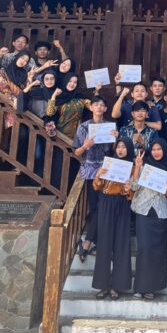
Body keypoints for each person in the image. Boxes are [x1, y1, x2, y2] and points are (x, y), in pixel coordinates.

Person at [92, 136, 135, 299]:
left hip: (122, 205)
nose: (121, 150)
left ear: (128, 149)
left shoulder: (132, 168)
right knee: (104, 243)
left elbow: (133, 193)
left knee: (121, 244)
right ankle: (102, 285)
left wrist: (128, 190)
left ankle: (118, 285)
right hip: (106, 203)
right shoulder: (107, 164)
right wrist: (99, 176)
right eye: (118, 147)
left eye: (124, 147)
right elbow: (97, 187)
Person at [131, 138, 167, 299]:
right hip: (143, 211)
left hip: (161, 213)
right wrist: (137, 166)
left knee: (158, 250)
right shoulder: (144, 167)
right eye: (154, 149)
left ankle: (152, 288)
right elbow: (134, 187)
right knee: (144, 248)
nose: (156, 152)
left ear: (164, 150)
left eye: (159, 149)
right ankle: (140, 287)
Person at [72, 95, 112, 262]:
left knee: (103, 207)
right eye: (96, 105)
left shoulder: (109, 126)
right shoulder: (83, 127)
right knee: (95, 207)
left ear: (105, 109)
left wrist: (115, 138)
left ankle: (88, 242)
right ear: (91, 107)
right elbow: (76, 152)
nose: (99, 107)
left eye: (102, 105)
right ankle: (91, 242)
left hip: (106, 171)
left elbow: (114, 151)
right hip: (90, 172)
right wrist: (85, 146)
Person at [45, 73, 92, 140]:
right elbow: (50, 113)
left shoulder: (80, 98)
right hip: (60, 134)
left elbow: (93, 107)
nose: (72, 84)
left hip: (76, 135)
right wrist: (54, 95)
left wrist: (97, 91)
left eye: (75, 82)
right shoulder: (60, 96)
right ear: (65, 81)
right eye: (70, 81)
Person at [0, 50, 31, 128]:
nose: (23, 61)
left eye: (26, 61)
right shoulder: (4, 71)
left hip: (19, 103)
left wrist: (30, 78)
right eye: (22, 58)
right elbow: (4, 88)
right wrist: (14, 99)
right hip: (6, 100)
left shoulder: (24, 74)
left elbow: (26, 90)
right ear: (17, 57)